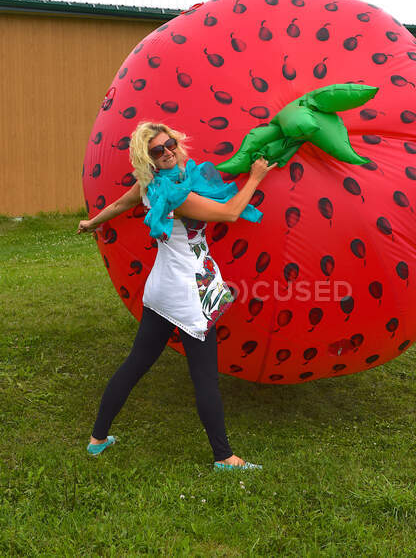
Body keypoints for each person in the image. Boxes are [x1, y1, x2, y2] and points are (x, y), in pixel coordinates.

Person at [77, 121, 276, 470]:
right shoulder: (178, 196)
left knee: (136, 364)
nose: (167, 151)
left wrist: (92, 222)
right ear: (147, 157)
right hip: (189, 293)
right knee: (204, 377)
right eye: (157, 150)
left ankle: (97, 440)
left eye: (169, 144)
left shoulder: (149, 185)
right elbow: (230, 213)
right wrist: (257, 176)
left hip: (162, 288)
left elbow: (119, 206)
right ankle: (224, 457)